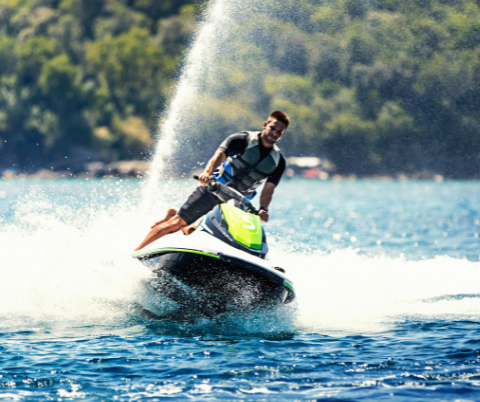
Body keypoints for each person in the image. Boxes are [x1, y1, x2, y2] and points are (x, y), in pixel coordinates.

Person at [134, 110, 289, 251]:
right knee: (175, 225)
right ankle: (136, 252)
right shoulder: (241, 139)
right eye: (272, 128)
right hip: (213, 189)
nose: (274, 133)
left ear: (282, 135)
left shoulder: (278, 161)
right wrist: (207, 173)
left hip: (236, 204)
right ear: (265, 125)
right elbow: (219, 155)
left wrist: (263, 208)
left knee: (227, 242)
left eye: (279, 132)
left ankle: (177, 219)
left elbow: (269, 188)